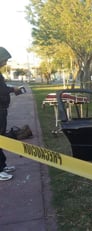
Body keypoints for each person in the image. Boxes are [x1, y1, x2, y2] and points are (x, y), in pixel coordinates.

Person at [0, 47, 20, 181]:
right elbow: (1, 91)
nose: (6, 63)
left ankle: (2, 165)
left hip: (2, 109)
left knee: (1, 138)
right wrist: (13, 89)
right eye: (5, 60)